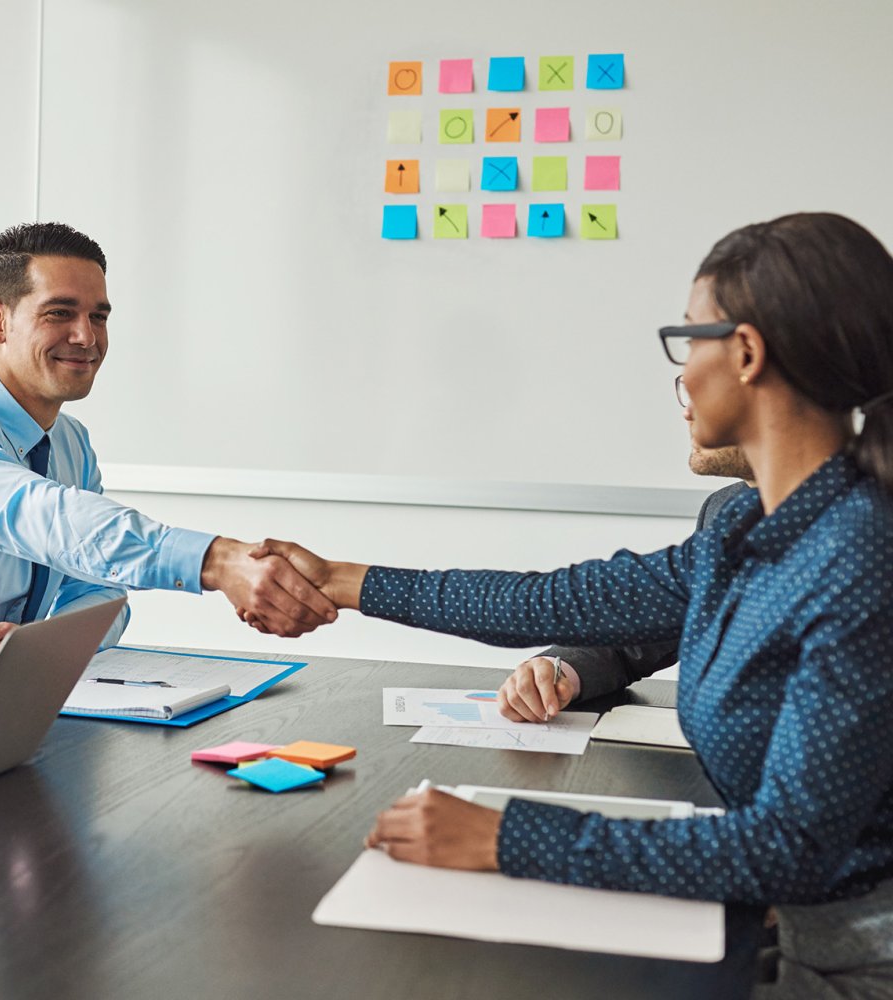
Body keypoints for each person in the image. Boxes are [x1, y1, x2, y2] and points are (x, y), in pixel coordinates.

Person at [249, 213, 893, 996]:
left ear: (748, 352)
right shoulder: (747, 529)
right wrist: (345, 581)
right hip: (797, 934)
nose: (683, 371)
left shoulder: (860, 553)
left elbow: (788, 848)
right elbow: (557, 599)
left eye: (690, 339)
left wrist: (507, 836)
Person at [0, 222, 335, 684]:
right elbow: (51, 519)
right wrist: (217, 561)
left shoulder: (69, 443)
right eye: (60, 313)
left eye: (99, 316)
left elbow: (101, 594)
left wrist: (35, 647)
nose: (87, 337)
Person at [497, 446, 751, 723]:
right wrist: (556, 671)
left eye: (706, 398)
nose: (689, 412)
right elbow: (641, 634)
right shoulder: (724, 507)